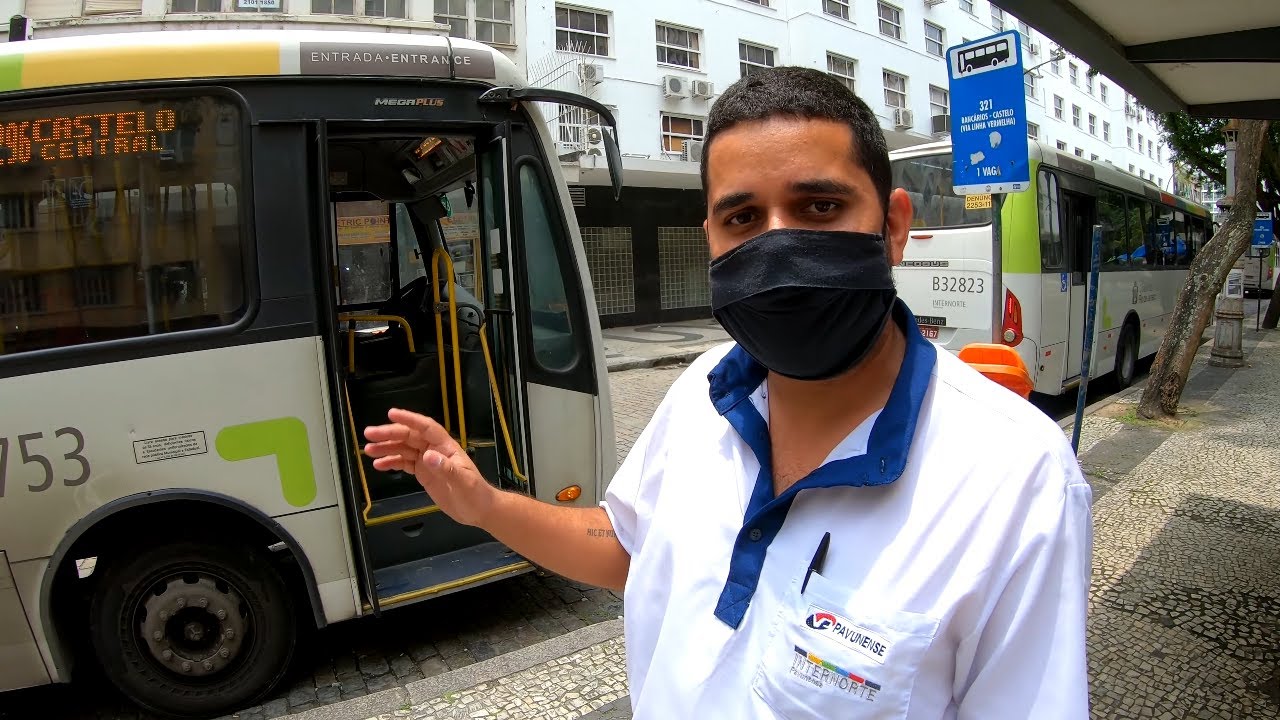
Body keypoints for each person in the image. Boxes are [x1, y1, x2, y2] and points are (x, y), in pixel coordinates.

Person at [363, 66, 1093, 719]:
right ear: (710, 234)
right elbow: (627, 549)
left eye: (818, 208)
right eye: (742, 218)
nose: (776, 245)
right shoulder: (697, 394)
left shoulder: (1015, 476)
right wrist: (483, 505)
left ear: (894, 226)